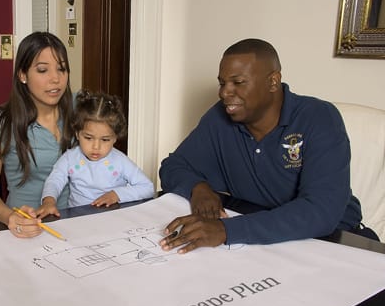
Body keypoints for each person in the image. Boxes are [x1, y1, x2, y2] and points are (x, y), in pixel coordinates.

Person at [158, 38, 378, 254]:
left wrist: (226, 230)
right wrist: (198, 188)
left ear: (273, 81)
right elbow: (173, 166)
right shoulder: (220, 117)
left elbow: (320, 212)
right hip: (263, 236)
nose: (225, 92)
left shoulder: (319, 117)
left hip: (335, 239)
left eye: (238, 82)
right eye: (222, 83)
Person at [0, 31, 74, 239]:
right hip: (26, 228)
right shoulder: (3, 120)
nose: (55, 79)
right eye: (43, 70)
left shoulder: (78, 113)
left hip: (75, 222)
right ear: (22, 75)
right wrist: (10, 217)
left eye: (61, 69)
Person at [41, 89, 154, 215]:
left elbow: (147, 187)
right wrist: (49, 201)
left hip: (112, 217)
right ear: (78, 134)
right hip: (78, 219)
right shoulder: (70, 158)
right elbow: (55, 180)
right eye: (88, 138)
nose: (96, 146)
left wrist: (117, 194)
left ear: (115, 137)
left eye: (105, 139)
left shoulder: (120, 161)